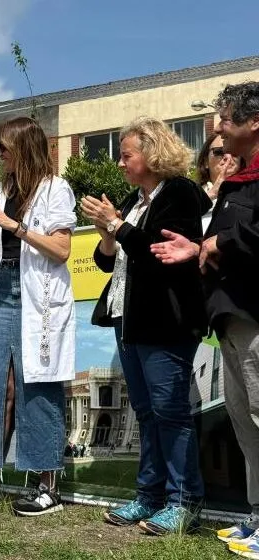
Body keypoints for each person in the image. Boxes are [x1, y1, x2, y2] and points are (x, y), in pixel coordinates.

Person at [82, 116, 210, 536]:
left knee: (170, 411)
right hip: (128, 317)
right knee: (145, 412)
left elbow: (157, 250)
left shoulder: (180, 193)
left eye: (126, 155)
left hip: (166, 319)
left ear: (152, 154)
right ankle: (150, 496)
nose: (119, 164)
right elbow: (107, 261)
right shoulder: (134, 199)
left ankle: (184, 501)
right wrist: (107, 232)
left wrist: (119, 226)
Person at [149, 83, 259, 555]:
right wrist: (200, 247)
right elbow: (218, 238)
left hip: (255, 315)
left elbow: (245, 236)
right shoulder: (238, 182)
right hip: (230, 318)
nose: (216, 127)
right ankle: (256, 516)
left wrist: (216, 245)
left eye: (225, 117)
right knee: (246, 423)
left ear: (254, 121)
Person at [0, 117, 76, 516]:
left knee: (39, 383)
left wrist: (16, 225)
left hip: (39, 295)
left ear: (22, 148)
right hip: (3, 289)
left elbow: (61, 250)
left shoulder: (55, 189)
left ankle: (48, 486)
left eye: (4, 148)